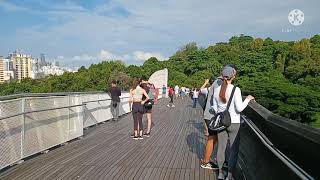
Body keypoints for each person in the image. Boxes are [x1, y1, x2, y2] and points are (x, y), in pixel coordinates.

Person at [212, 66, 255, 180]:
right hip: (234, 123)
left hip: (221, 123)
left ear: (222, 76)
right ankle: (229, 175)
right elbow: (240, 108)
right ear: (233, 76)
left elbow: (215, 108)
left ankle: (220, 174)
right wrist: (247, 99)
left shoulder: (216, 90)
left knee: (221, 148)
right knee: (233, 150)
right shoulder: (236, 89)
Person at [200, 77, 223, 170]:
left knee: (214, 138)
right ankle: (206, 162)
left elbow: (200, 90)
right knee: (212, 138)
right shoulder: (219, 85)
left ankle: (208, 160)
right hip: (213, 116)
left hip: (208, 114)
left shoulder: (210, 88)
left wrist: (205, 83)